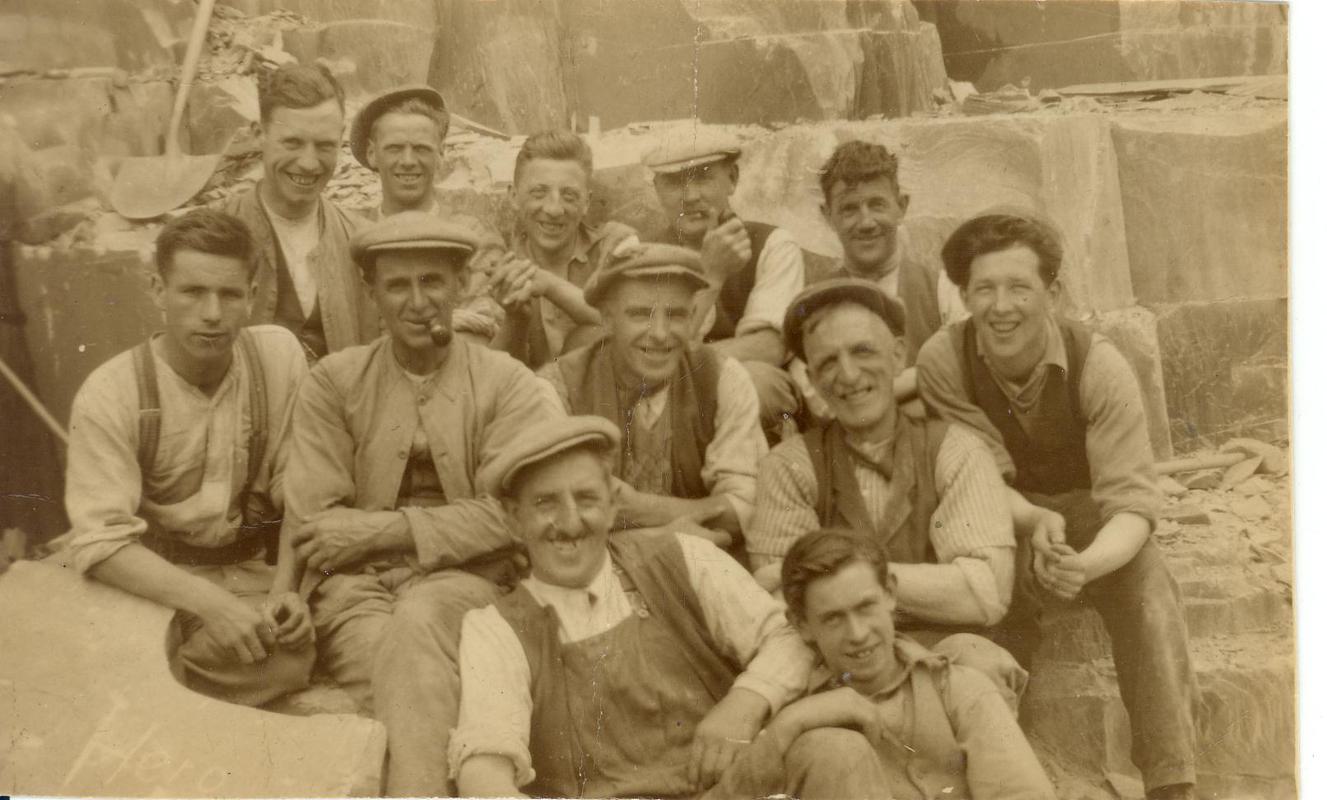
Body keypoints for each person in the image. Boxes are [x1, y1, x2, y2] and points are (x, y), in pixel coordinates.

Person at [449, 415, 888, 799]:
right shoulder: (497, 629)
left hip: (727, 791)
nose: (570, 523)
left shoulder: (680, 558)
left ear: (612, 504)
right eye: (545, 503)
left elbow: (787, 638)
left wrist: (746, 702)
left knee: (836, 752)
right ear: (512, 518)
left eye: (586, 499)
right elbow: (482, 775)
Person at [278, 211, 563, 795]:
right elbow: (317, 519)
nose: (417, 302)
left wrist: (379, 532)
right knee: (403, 683)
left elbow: (513, 515)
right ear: (370, 292)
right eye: (397, 285)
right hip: (357, 594)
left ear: (461, 286)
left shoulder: (507, 383)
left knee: (415, 661)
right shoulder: (335, 382)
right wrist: (356, 545)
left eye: (432, 281)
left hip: (474, 587)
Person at [915, 212, 1198, 800]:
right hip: (994, 518)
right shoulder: (944, 360)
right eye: (984, 289)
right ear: (963, 295)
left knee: (1146, 584)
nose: (1001, 306)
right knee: (985, 608)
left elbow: (1133, 508)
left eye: (1019, 287)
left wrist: (1085, 566)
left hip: (1092, 524)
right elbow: (977, 481)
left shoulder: (1099, 365)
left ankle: (1173, 782)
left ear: (1053, 292)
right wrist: (1034, 523)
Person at [63, 209, 313, 707]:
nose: (213, 314)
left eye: (229, 294)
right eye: (192, 292)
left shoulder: (278, 358)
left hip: (248, 572)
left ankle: (156, 686)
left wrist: (287, 592)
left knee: (290, 654)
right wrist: (210, 606)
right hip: (151, 577)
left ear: (253, 296)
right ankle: (155, 678)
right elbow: (100, 542)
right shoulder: (113, 392)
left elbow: (304, 491)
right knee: (85, 652)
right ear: (158, 290)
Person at [748, 278, 1026, 709]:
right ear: (813, 380)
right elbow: (780, 599)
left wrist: (840, 584)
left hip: (942, 652)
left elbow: (984, 595)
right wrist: (932, 587)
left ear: (898, 355)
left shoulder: (956, 450)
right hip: (838, 665)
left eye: (863, 351)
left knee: (982, 667)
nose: (849, 375)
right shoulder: (789, 466)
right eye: (827, 363)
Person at [766, 529, 1057, 799]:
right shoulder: (790, 706)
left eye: (865, 607)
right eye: (833, 618)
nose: (858, 634)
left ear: (890, 594)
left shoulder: (957, 689)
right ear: (802, 624)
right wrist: (788, 724)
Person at [537, 243, 766, 552]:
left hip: (699, 570)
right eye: (640, 314)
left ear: (693, 317)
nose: (659, 333)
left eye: (675, 315)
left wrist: (640, 508)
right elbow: (561, 519)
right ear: (606, 319)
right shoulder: (559, 386)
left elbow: (746, 510)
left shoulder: (723, 378)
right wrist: (666, 538)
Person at [643, 126, 802, 438]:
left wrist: (678, 367)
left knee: (757, 382)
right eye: (675, 182)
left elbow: (768, 347)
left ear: (732, 179)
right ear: (657, 189)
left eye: (703, 177)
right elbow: (642, 358)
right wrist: (711, 275)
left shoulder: (773, 244)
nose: (690, 196)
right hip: (668, 395)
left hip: (747, 393)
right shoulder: (644, 255)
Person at [219, 62, 376, 361]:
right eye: (292, 142)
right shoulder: (215, 233)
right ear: (259, 134)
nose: (308, 162)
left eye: (325, 145)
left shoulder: (362, 240)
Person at [348, 85, 505, 345]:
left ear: (441, 153)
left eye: (421, 148)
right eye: (395, 148)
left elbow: (481, 327)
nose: (408, 161)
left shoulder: (472, 236)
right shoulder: (353, 232)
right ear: (372, 153)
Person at [492, 130, 637, 368]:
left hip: (603, 398)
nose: (554, 209)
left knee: (591, 337)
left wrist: (548, 285)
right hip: (528, 398)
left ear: (586, 202)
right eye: (539, 192)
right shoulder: (502, 262)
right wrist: (515, 319)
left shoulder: (616, 244)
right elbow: (485, 372)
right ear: (514, 197)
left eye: (569, 195)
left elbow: (633, 323)